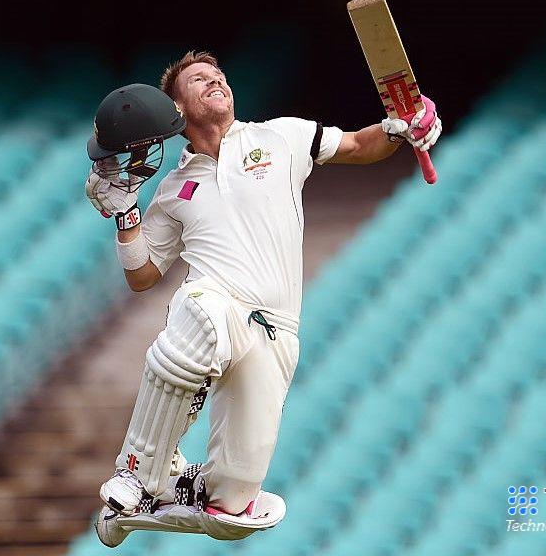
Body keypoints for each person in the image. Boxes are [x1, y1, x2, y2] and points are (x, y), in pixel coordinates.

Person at [85, 51, 441, 546]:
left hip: (277, 330)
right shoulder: (172, 189)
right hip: (214, 307)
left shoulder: (282, 136)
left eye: (219, 76)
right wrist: (127, 217)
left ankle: (151, 501)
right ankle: (137, 469)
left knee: (234, 507)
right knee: (204, 311)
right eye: (200, 80)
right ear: (177, 110)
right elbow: (144, 276)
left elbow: (362, 144)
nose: (216, 82)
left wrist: (404, 128)